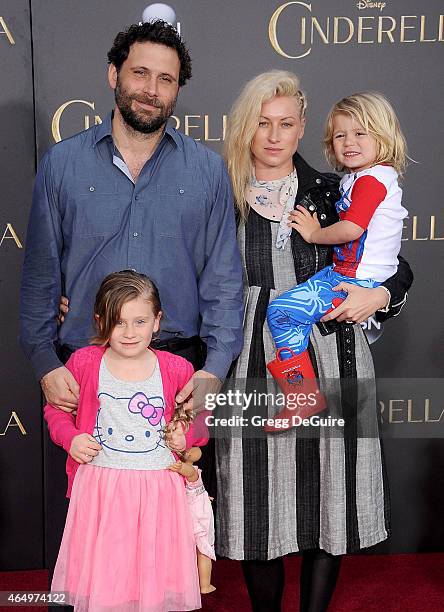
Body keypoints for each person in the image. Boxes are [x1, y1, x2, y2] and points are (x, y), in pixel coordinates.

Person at [19, 20, 242, 579]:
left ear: (177, 91)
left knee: (168, 538)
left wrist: (213, 371)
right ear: (113, 74)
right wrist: (45, 362)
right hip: (87, 371)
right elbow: (40, 277)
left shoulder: (207, 170)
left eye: (165, 79)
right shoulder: (63, 165)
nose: (151, 87)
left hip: (177, 374)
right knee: (98, 536)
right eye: (140, 72)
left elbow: (223, 281)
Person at [215, 71, 413, 612]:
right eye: (262, 124)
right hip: (246, 358)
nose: (274, 136)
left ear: (303, 127)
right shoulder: (221, 191)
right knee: (256, 496)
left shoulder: (332, 188)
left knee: (328, 493)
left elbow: (392, 265)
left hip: (332, 353)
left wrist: (381, 297)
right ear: (245, 127)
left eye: (285, 124)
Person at [44, 270, 207, 611]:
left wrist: (184, 432)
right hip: (102, 491)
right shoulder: (85, 363)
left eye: (140, 321)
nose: (130, 333)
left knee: (152, 580)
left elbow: (199, 417)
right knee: (108, 581)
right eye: (119, 323)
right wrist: (71, 438)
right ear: (100, 320)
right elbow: (57, 412)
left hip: (158, 493)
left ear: (157, 322)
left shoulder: (177, 367)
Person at [265, 91, 408, 428]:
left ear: (383, 136)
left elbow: (351, 228)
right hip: (342, 273)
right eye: (341, 134)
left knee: (282, 312)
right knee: (286, 313)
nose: (349, 142)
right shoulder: (356, 179)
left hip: (355, 281)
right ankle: (301, 395)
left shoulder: (371, 180)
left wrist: (314, 234)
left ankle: (301, 397)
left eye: (361, 133)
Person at [166, 414, 216, 594]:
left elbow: (193, 476)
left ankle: (205, 584)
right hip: (190, 510)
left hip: (197, 513)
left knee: (203, 548)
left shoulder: (190, 469)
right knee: (194, 548)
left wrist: (182, 467)